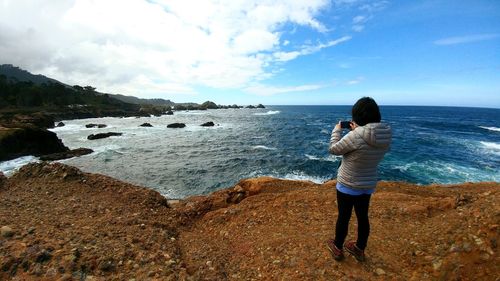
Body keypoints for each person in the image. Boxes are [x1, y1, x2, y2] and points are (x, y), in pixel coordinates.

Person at [326, 97, 392, 262]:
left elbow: (334, 149)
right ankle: (359, 249)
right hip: (367, 184)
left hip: (348, 184)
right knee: (363, 217)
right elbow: (366, 144)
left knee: (344, 217)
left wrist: (337, 130)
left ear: (357, 117)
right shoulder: (385, 134)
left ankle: (338, 248)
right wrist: (357, 131)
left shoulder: (356, 136)